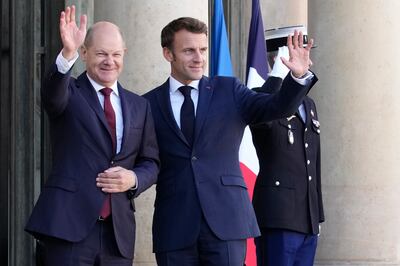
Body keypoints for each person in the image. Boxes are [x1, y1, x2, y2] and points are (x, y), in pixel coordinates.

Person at [143, 17, 317, 265]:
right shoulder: (147, 104)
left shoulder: (229, 90)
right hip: (174, 227)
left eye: (203, 50)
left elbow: (275, 107)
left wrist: (298, 77)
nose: (198, 58)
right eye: (188, 50)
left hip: (227, 223)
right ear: (167, 53)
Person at [25, 6, 159, 265]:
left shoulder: (139, 106)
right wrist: (67, 54)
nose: (109, 61)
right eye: (101, 54)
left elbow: (151, 162)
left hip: (117, 233)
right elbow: (52, 97)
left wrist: (133, 178)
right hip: (69, 228)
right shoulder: (70, 93)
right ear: (85, 54)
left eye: (116, 54)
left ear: (124, 55)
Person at [251, 26, 324, 266]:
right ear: (280, 58)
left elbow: (313, 162)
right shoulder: (261, 96)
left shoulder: (309, 103)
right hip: (278, 216)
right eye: (299, 52)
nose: (308, 59)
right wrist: (278, 75)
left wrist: (316, 214)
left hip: (306, 217)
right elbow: (261, 111)